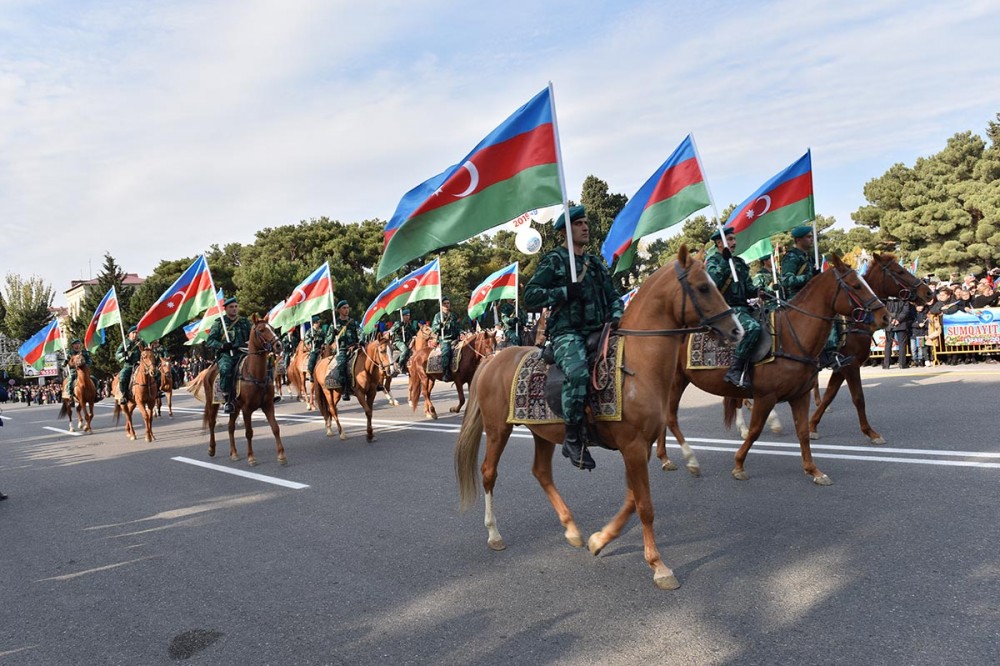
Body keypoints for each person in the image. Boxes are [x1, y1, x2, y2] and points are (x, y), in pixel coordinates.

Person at [524, 204, 622, 471]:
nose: (585, 226)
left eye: (585, 222)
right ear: (566, 231)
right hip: (567, 333)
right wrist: (565, 291)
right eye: (578, 223)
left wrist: (615, 314)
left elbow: (614, 296)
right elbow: (530, 296)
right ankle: (572, 438)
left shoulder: (595, 265)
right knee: (578, 373)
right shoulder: (554, 260)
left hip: (600, 330)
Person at [779, 225, 853, 370]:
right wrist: (809, 277)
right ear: (798, 239)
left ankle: (833, 352)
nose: (812, 239)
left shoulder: (809, 257)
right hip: (796, 300)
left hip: (810, 300)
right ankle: (826, 356)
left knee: (834, 315)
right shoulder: (792, 257)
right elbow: (787, 280)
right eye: (808, 237)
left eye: (811, 236)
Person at [706, 227, 760, 390]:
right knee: (753, 329)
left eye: (734, 239)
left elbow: (749, 288)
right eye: (729, 239)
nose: (734, 242)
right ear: (719, 242)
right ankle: (735, 370)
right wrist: (724, 261)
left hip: (744, 308)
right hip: (725, 310)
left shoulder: (740, 263)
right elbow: (712, 285)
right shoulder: (713, 262)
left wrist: (760, 290)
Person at [205, 296, 251, 414]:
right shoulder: (219, 323)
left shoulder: (244, 321)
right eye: (231, 307)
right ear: (225, 309)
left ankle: (268, 392)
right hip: (226, 354)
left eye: (236, 306)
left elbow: (253, 335)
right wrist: (222, 346)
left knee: (264, 363)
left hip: (243, 352)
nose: (234, 309)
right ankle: (227, 399)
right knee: (225, 369)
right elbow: (210, 341)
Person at [327, 300, 362, 400]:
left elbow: (360, 332)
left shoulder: (353, 322)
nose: (347, 310)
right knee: (342, 365)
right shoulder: (335, 324)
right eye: (344, 308)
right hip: (342, 349)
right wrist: (333, 333)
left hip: (355, 346)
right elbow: (328, 341)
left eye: (347, 308)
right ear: (339, 310)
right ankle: (345, 389)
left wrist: (362, 340)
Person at [432, 297, 462, 382]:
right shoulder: (438, 316)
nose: (447, 305)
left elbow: (457, 327)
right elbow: (434, 329)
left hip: (455, 339)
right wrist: (440, 326)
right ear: (441, 305)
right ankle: (446, 373)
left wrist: (462, 332)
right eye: (445, 303)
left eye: (448, 303)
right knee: (446, 353)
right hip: (445, 339)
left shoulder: (453, 315)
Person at [882, 297, 914, 369]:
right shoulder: (903, 299)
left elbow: (884, 310)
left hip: (889, 324)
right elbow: (905, 311)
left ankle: (886, 364)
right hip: (901, 324)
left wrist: (891, 319)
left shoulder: (886, 299)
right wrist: (898, 320)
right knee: (902, 344)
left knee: (888, 344)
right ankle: (902, 364)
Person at [116, 326, 144, 406]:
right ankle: (124, 395)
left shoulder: (141, 342)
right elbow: (117, 355)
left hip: (140, 365)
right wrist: (124, 354)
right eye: (133, 333)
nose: (135, 334)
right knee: (122, 377)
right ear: (129, 334)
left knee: (155, 373)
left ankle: (157, 392)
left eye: (136, 333)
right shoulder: (125, 343)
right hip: (129, 366)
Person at [62, 338, 92, 403]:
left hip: (84, 370)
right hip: (74, 370)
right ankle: (70, 396)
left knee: (94, 379)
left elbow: (89, 360)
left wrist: (87, 365)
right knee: (70, 381)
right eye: (75, 344)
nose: (77, 345)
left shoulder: (84, 352)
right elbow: (64, 363)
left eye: (78, 343)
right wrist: (65, 361)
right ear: (72, 345)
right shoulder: (70, 353)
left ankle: (96, 394)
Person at [391, 308, 420, 374]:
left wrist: (417, 335)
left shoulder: (409, 324)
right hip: (398, 341)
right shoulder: (398, 323)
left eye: (409, 315)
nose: (408, 317)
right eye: (406, 315)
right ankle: (399, 364)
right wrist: (399, 326)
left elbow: (414, 332)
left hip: (407, 341)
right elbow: (392, 331)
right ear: (403, 316)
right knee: (405, 350)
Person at [305, 314, 328, 380]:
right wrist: (310, 339)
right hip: (314, 349)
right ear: (313, 323)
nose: (318, 323)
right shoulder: (310, 331)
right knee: (312, 359)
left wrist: (325, 343)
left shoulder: (322, 331)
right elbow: (306, 340)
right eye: (317, 322)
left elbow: (326, 338)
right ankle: (311, 374)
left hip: (322, 349)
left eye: (319, 322)